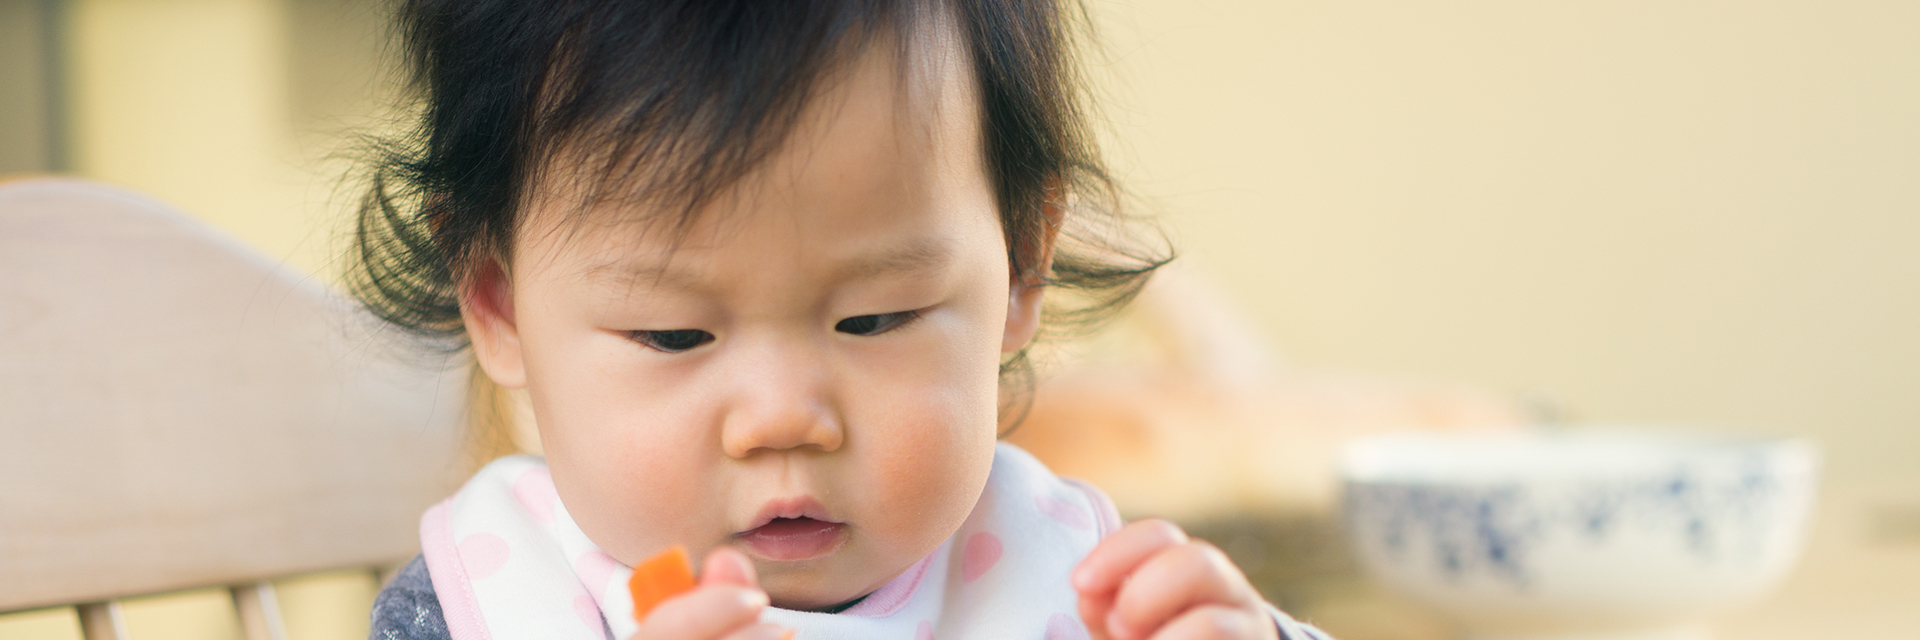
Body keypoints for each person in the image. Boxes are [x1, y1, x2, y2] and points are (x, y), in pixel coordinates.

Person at [352, 1, 1334, 639]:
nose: (784, 418)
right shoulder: (487, 600)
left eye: (875, 318)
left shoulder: (1074, 583)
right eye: (674, 334)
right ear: (500, 301)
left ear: (1022, 265)